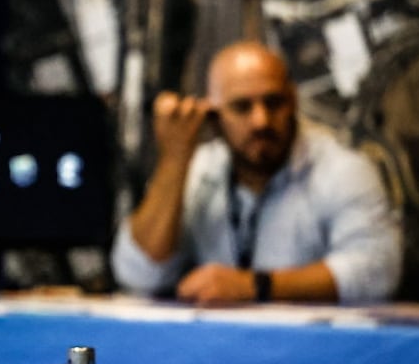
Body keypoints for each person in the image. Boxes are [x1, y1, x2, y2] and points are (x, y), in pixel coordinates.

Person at [111, 40, 401, 305]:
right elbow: (138, 274)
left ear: (293, 101)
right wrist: (174, 159)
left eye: (273, 103)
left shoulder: (342, 169)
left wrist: (255, 286)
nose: (261, 121)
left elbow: (376, 271)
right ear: (214, 114)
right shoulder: (198, 171)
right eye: (242, 107)